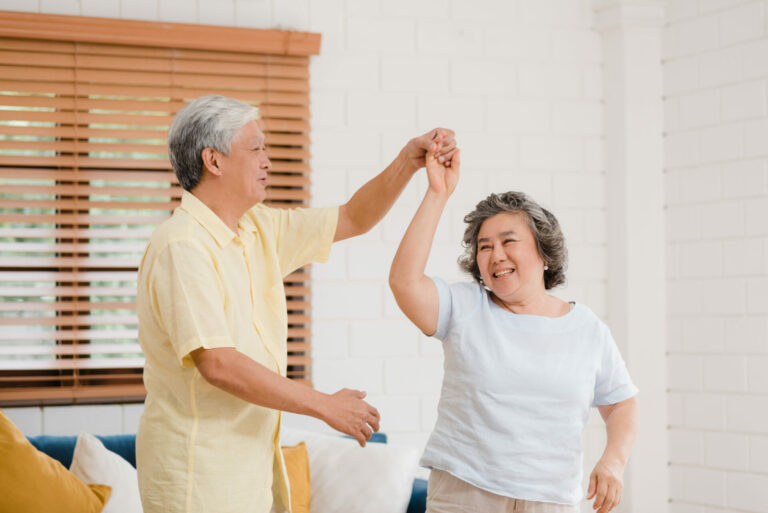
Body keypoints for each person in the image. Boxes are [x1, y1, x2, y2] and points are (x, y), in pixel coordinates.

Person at [136, 94, 457, 513]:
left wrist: (408, 162)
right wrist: (324, 405)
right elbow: (218, 363)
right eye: (255, 148)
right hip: (198, 476)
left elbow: (354, 217)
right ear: (213, 161)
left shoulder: (257, 227)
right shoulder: (183, 246)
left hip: (250, 472)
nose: (267, 160)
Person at [388, 152, 638, 513]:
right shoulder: (465, 307)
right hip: (466, 492)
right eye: (484, 246)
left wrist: (613, 460)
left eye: (508, 241)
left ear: (544, 252)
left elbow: (622, 404)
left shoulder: (587, 330)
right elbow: (404, 282)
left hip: (551, 499)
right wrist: (437, 193)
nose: (495, 255)